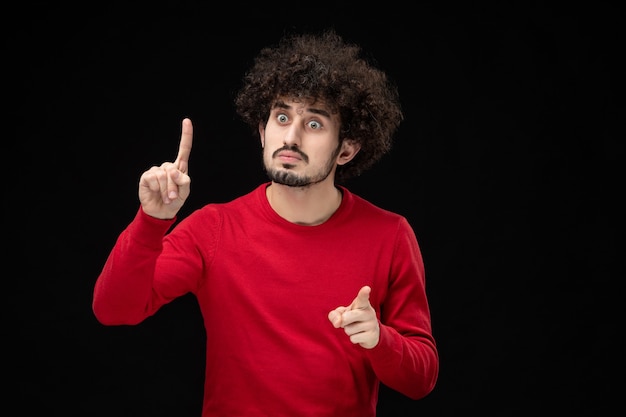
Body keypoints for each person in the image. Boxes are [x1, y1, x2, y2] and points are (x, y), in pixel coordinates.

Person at [92, 29, 439, 416]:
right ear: (262, 131)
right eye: (282, 116)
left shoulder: (389, 234)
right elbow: (114, 309)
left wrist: (380, 340)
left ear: (347, 148)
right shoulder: (213, 228)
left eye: (314, 124)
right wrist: (151, 221)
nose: (290, 137)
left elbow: (422, 379)